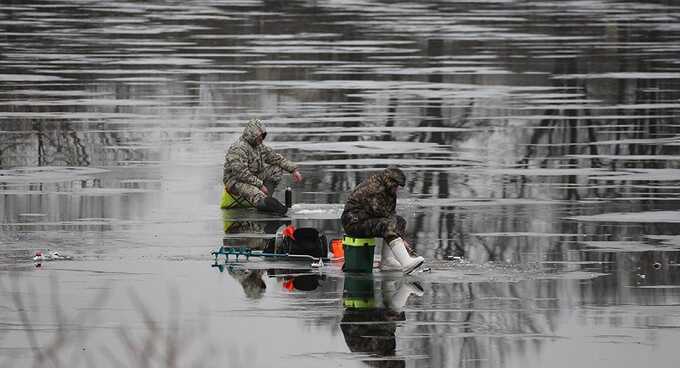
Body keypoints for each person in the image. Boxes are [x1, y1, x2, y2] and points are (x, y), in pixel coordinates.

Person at [341, 167, 424, 274]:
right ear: (389, 181)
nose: (397, 189)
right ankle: (406, 262)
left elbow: (391, 214)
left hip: (368, 220)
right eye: (396, 186)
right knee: (386, 225)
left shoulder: (388, 190)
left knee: (399, 221)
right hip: (354, 223)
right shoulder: (374, 188)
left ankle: (387, 261)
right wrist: (398, 237)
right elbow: (381, 213)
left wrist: (399, 234)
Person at [223, 119, 303, 214]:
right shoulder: (238, 148)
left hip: (254, 178)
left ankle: (266, 199)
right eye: (260, 135)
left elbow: (276, 158)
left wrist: (293, 170)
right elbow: (241, 173)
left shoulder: (259, 147)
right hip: (236, 182)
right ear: (252, 134)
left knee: (276, 169)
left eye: (263, 135)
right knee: (255, 193)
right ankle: (263, 202)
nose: (262, 138)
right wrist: (260, 185)